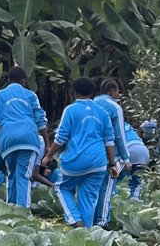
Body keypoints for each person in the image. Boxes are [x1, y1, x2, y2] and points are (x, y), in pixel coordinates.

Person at [44, 77, 119, 229]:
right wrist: (112, 164)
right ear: (93, 92)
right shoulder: (102, 112)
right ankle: (86, 232)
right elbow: (109, 141)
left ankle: (75, 219)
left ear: (74, 92)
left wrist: (49, 156)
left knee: (62, 187)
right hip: (98, 162)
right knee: (88, 198)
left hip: (75, 161)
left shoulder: (70, 110)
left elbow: (61, 138)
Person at [0, 68, 48, 209]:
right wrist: (47, 144)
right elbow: (41, 120)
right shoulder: (31, 95)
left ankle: (11, 209)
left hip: (8, 140)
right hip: (29, 139)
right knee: (23, 175)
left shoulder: (0, 95)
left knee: (12, 174)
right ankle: (23, 211)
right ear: (23, 81)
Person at [91, 79, 131, 226]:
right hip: (110, 155)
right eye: (118, 91)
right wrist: (126, 159)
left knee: (91, 189)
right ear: (112, 90)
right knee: (106, 189)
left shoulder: (91, 103)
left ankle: (89, 221)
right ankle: (102, 222)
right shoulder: (115, 107)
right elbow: (119, 134)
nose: (119, 94)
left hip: (90, 153)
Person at [118, 122, 149, 201]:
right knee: (137, 181)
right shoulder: (129, 126)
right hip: (143, 151)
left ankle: (114, 199)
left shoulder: (113, 125)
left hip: (128, 150)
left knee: (115, 178)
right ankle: (135, 200)